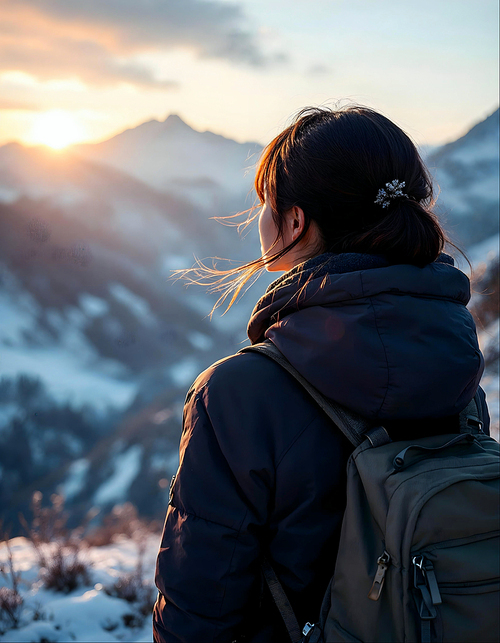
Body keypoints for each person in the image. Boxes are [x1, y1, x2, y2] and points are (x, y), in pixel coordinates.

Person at [153, 105, 490, 643]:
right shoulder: (457, 364)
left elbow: (199, 607)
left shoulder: (242, 393)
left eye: (266, 202)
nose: (259, 218)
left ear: (295, 222)